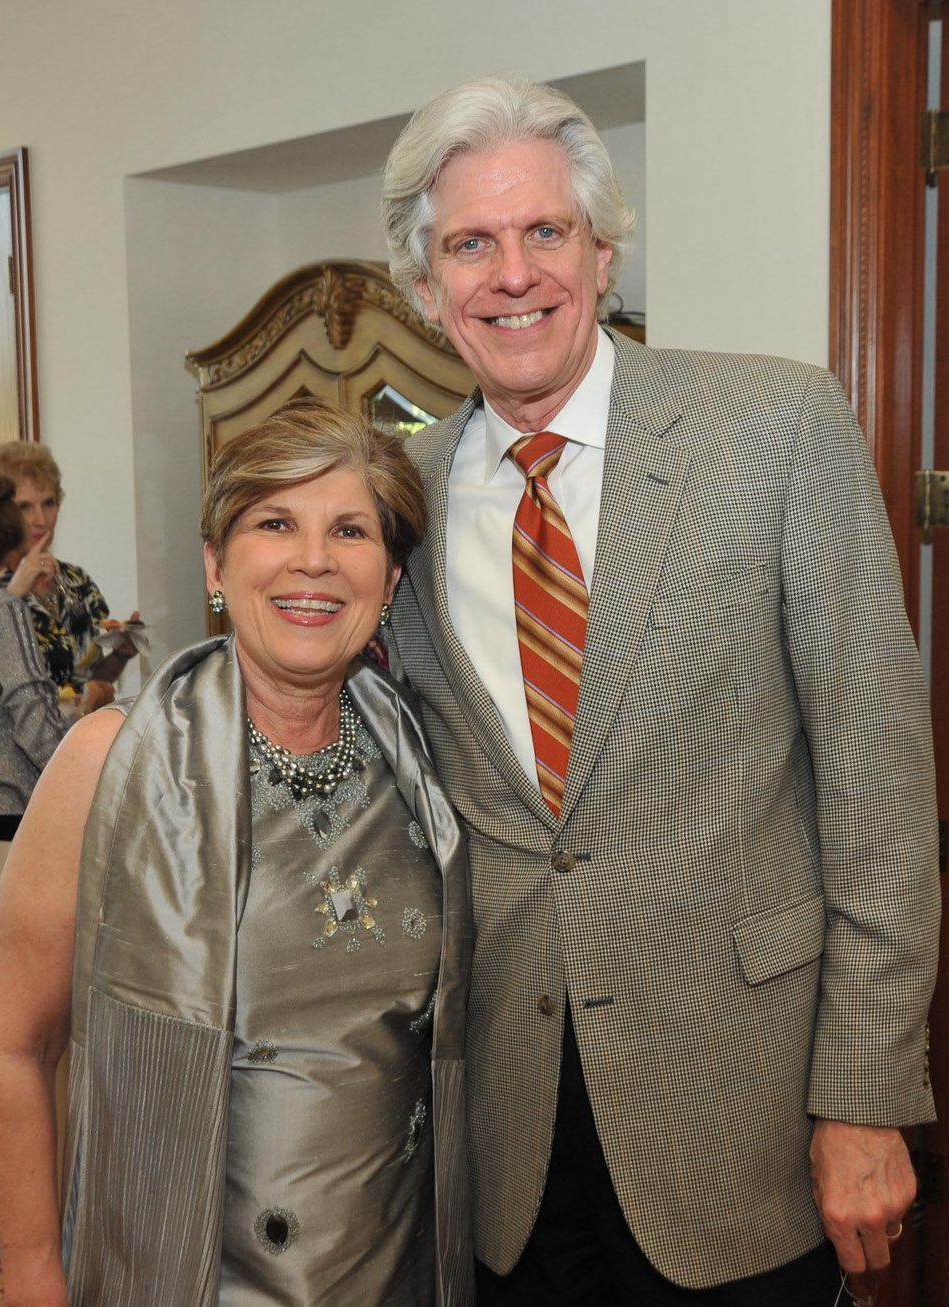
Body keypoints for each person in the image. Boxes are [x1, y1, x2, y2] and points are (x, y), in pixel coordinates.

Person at [380, 75, 940, 1306]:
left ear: (602, 249)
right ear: (426, 290)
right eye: (469, 243)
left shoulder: (774, 423)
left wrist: (863, 1090)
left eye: (544, 232)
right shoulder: (399, 500)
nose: (512, 273)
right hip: (510, 1149)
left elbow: (878, 784)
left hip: (746, 1121)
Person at [0, 398, 473, 1307]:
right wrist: (40, 1278)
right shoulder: (109, 762)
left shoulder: (426, 767)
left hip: (397, 1267)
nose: (313, 560)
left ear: (391, 580)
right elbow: (13, 1045)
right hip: (182, 1274)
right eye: (275, 522)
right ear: (216, 562)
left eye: (351, 530)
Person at [0, 464, 67, 1253]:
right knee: (26, 1036)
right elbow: (34, 719)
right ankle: (14, 1205)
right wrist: (89, 763)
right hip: (3, 840)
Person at [0, 441, 140, 713]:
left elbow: (86, 677)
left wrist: (121, 653)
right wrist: (18, 588)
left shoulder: (77, 580)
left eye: (49, 503)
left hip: (75, 739)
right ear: (0, 513)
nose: (40, 519)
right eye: (24, 507)